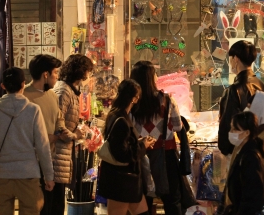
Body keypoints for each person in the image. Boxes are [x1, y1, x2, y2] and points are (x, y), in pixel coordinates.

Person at [0, 67, 55, 215]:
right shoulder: (33, 110)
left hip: (3, 176)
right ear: (23, 85)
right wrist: (49, 176)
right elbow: (42, 146)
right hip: (28, 176)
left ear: (3, 86)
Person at [130, 61, 187, 215]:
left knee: (143, 200)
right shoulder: (166, 100)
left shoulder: (131, 103)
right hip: (166, 156)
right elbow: (178, 127)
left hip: (139, 156)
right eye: (154, 74)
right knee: (171, 200)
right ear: (150, 78)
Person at [97, 79, 153, 215]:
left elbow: (122, 145)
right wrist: (143, 145)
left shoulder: (116, 115)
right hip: (122, 182)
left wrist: (139, 142)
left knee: (143, 212)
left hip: (126, 182)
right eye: (137, 96)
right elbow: (123, 154)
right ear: (134, 98)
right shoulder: (121, 119)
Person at [24, 54, 67, 215]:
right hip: (33, 165)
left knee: (56, 207)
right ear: (45, 74)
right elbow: (25, 134)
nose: (57, 77)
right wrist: (52, 137)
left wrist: (61, 130)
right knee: (40, 208)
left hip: (53, 161)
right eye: (55, 73)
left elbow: (58, 118)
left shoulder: (52, 95)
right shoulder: (24, 97)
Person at [53, 54, 93, 212]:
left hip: (63, 153)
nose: (89, 76)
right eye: (89, 71)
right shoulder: (63, 91)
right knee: (54, 203)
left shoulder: (69, 90)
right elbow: (57, 123)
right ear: (81, 71)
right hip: (57, 153)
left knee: (57, 201)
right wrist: (75, 135)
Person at [219, 40, 264, 155]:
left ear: (235, 59)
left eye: (230, 58)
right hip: (261, 147)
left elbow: (228, 123)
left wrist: (225, 149)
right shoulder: (261, 85)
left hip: (241, 149)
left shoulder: (234, 89)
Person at [224, 111, 264, 214]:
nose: (231, 132)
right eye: (231, 128)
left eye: (235, 129)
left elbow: (253, 195)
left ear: (247, 133)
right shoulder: (243, 151)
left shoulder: (250, 157)